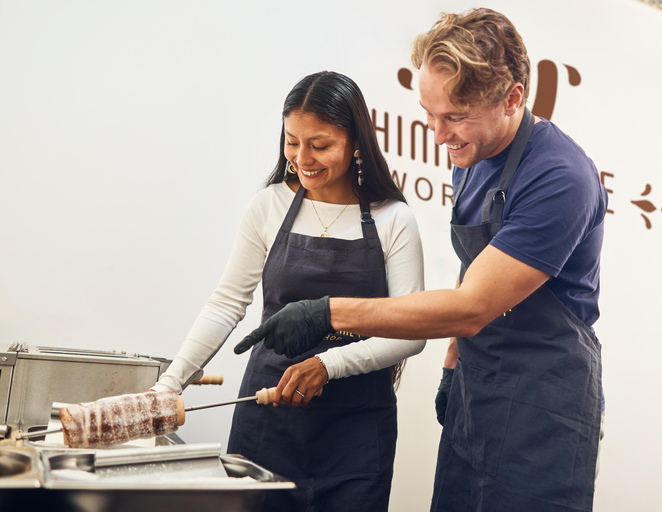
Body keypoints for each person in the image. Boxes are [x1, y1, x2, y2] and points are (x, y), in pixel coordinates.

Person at [235, 8, 608, 512]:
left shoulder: (560, 177)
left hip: (543, 409)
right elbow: (475, 266)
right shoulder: (473, 160)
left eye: (454, 116)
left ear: (513, 98)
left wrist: (326, 313)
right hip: (478, 395)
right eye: (429, 115)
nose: (437, 134)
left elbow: (473, 304)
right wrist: (453, 365)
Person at [152, 71, 426, 512]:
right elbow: (227, 303)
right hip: (269, 423)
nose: (302, 158)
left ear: (356, 141)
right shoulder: (270, 205)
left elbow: (410, 331)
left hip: (356, 435)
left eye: (320, 145)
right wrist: (169, 384)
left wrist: (327, 364)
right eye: (292, 141)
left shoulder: (393, 219)